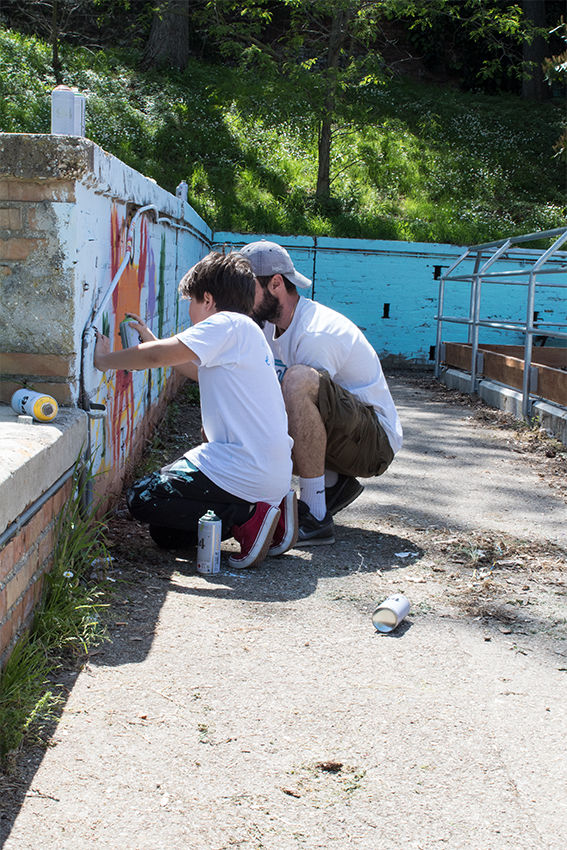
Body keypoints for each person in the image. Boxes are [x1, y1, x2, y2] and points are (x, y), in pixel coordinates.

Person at [94, 251, 297, 569]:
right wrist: (154, 340)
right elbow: (195, 370)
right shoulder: (246, 332)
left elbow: (156, 357)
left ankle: (249, 517)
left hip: (244, 469)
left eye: (191, 301)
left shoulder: (225, 323)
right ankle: (271, 515)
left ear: (208, 300)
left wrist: (104, 360)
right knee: (167, 534)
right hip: (269, 473)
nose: (189, 310)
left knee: (143, 497)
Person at [240, 239, 403, 546]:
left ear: (276, 283)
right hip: (346, 435)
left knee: (297, 381)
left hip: (374, 443)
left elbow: (298, 412)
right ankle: (332, 483)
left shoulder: (315, 332)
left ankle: (315, 515)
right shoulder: (266, 326)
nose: (242, 299)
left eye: (248, 289)